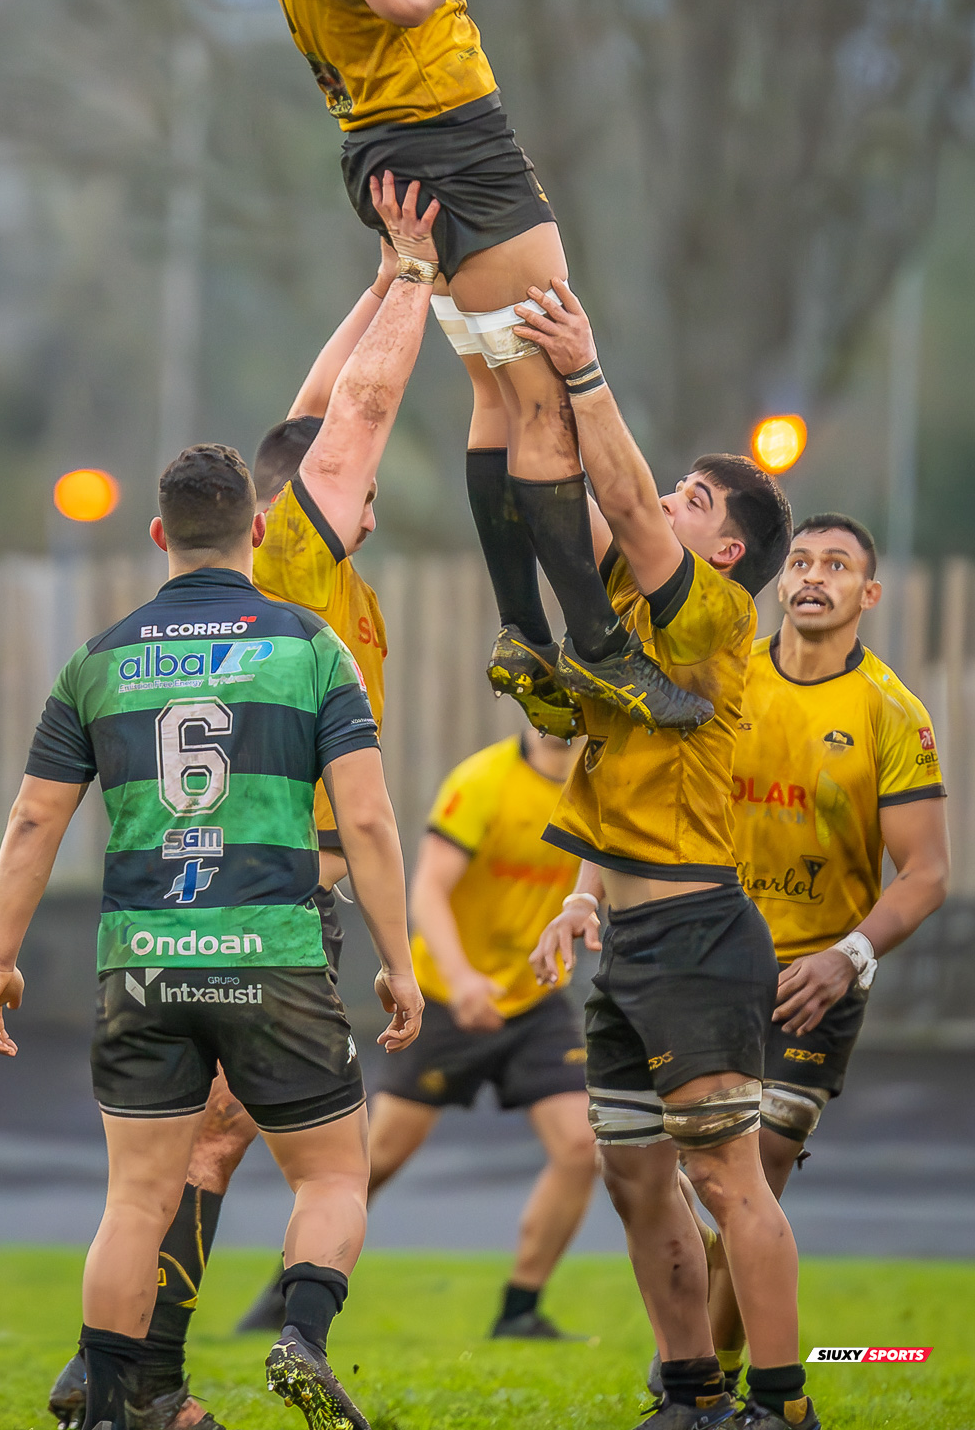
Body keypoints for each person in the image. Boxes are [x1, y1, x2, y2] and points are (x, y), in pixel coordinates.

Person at [47, 186, 441, 1429]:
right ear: (292, 510)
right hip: (286, 906)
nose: (364, 497)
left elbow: (316, 413)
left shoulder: (282, 561)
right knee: (315, 1157)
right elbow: (359, 412)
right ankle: (237, 1349)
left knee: (198, 1151)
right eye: (347, 487)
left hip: (177, 915)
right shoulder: (303, 570)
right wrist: (424, 279)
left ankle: (122, 1380)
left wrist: (378, 278)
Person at [246, 0, 710, 737]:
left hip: (402, 147)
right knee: (545, 399)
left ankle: (522, 632)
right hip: (452, 151)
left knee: (500, 404)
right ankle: (598, 650)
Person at [0, 443, 424, 1430]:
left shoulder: (99, 659)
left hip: (144, 959)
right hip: (273, 953)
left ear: (157, 535)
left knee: (137, 1199)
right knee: (336, 1172)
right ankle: (302, 1329)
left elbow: (33, 821)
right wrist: (399, 961)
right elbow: (372, 822)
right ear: (257, 531)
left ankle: (105, 1406)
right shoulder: (311, 648)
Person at [518, 281, 815, 1430]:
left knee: (725, 1177)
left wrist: (585, 370)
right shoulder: (639, 626)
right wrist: (507, 357)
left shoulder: (715, 618)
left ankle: (780, 1404)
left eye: (696, 501)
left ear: (725, 546)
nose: (667, 508)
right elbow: (572, 498)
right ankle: (689, 1395)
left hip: (698, 936)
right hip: (628, 938)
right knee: (639, 1179)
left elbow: (626, 501)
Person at [700, 513, 950, 1408]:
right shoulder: (727, 681)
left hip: (816, 979)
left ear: (866, 595)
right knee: (688, 1184)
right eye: (799, 561)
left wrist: (848, 958)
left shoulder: (891, 712)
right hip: (708, 962)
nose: (812, 576)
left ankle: (725, 1384)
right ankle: (700, 1373)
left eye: (836, 565)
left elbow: (926, 874)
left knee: (756, 1165)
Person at [365, 724, 598, 1338]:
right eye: (539, 696)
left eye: (567, 697)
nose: (554, 712)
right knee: (375, 1159)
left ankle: (519, 1313)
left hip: (535, 997)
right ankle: (294, 1287)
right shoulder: (483, 781)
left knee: (582, 1148)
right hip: (448, 995)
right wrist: (464, 978)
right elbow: (430, 891)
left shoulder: (597, 787)